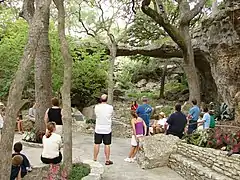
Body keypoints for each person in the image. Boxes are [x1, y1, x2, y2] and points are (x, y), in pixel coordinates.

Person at [94, 94, 114, 165]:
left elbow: (96, 115)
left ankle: (95, 159)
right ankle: (107, 160)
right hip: (107, 128)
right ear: (107, 99)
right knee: (107, 144)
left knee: (97, 143)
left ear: (100, 99)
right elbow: (111, 115)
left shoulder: (96, 107)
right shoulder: (110, 107)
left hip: (98, 128)